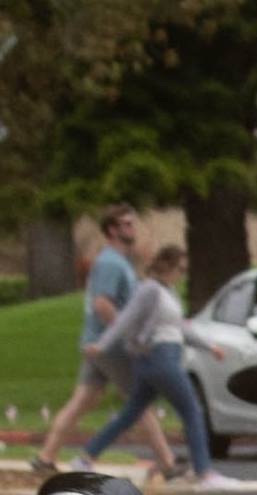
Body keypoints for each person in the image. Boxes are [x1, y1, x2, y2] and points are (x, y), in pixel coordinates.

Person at [75, 245, 245, 489]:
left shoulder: (168, 292)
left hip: (160, 358)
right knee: (192, 410)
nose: (182, 274)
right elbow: (126, 319)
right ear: (166, 265)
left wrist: (209, 346)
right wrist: (103, 344)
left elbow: (180, 328)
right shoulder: (150, 290)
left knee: (130, 414)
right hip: (159, 357)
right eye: (180, 268)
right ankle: (204, 473)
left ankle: (86, 457)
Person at [32, 203, 176, 476]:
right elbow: (102, 304)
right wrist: (127, 335)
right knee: (140, 401)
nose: (132, 229)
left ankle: (46, 457)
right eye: (126, 224)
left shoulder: (117, 262)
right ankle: (168, 464)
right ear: (112, 230)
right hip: (110, 346)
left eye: (132, 223)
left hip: (95, 344)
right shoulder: (111, 262)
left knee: (83, 401)